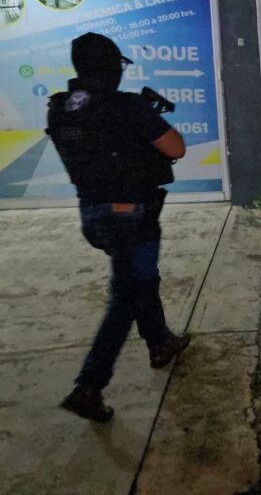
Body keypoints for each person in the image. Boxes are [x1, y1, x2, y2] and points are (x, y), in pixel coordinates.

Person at [49, 32, 191, 423]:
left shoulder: (60, 108)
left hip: (93, 215)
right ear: (112, 66)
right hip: (132, 215)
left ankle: (160, 342)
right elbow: (176, 148)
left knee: (141, 278)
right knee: (125, 296)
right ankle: (88, 386)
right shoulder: (127, 106)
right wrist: (145, 121)